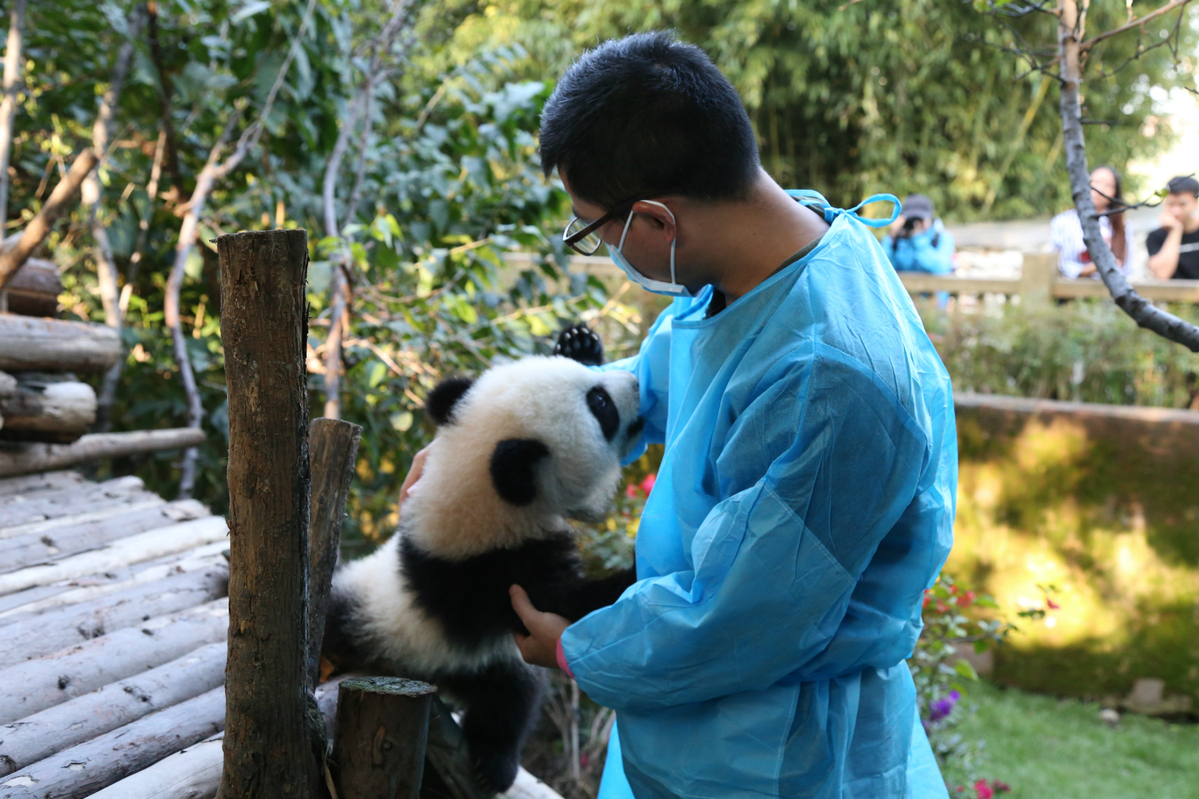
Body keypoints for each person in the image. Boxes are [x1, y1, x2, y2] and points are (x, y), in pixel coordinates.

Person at [408, 32, 956, 799]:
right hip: (697, 728)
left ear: (657, 222)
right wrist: (480, 448)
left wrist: (577, 648)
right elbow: (646, 388)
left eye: (592, 230)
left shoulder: (837, 380)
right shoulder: (746, 273)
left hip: (780, 753)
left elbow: (738, 618)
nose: (599, 246)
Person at [1049, 165, 1133, 279]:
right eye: (1095, 182)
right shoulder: (1062, 221)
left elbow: (1126, 268)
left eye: (1108, 185)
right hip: (1069, 289)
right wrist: (1090, 269)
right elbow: (1057, 262)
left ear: (1115, 192)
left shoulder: (1122, 225)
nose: (1100, 189)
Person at [883, 194, 955, 275]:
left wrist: (918, 239)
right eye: (911, 219)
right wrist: (891, 236)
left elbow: (942, 269)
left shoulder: (942, 237)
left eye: (919, 219)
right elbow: (883, 268)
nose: (915, 224)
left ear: (930, 219)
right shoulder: (899, 239)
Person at [1146, 175, 1199, 280]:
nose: (1176, 211)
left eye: (1182, 204)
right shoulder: (1155, 236)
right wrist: (1175, 230)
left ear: (1195, 203)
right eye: (1170, 204)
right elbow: (1161, 275)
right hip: (1171, 295)